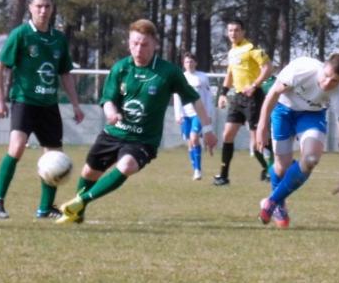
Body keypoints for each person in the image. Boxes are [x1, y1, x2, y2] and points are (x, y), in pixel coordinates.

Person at [56, 19, 218, 224]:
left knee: (127, 165)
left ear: (155, 44)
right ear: (128, 43)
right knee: (89, 172)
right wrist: (111, 112)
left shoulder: (168, 72)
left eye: (144, 44)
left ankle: (80, 201)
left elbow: (194, 99)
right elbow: (107, 100)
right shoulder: (121, 68)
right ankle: (77, 212)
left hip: (143, 140)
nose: (138, 49)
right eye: (135, 43)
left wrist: (208, 128)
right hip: (114, 132)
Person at [0, 0, 85, 220]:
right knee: (17, 147)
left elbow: (65, 74)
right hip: (24, 101)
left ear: (52, 9)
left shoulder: (59, 39)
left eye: (47, 6)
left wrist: (75, 105)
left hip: (49, 105)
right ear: (30, 8)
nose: (43, 10)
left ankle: (45, 208)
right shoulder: (21, 34)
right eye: (38, 6)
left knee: (54, 156)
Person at [255, 54, 339, 228]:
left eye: (334, 81)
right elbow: (273, 93)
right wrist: (262, 125)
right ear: (323, 67)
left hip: (311, 115)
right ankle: (278, 205)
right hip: (283, 109)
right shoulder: (303, 69)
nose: (326, 83)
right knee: (281, 166)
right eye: (326, 76)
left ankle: (271, 202)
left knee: (311, 159)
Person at [214, 19, 273, 186]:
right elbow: (230, 74)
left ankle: (271, 168)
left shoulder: (251, 48)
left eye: (237, 30)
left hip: (253, 98)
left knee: (257, 141)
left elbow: (268, 67)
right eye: (230, 30)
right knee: (227, 135)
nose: (233, 33)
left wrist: (254, 85)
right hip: (237, 98)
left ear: (243, 32)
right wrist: (223, 94)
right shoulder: (232, 51)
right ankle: (223, 176)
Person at [173, 52, 214, 180]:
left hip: (198, 113)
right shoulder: (180, 77)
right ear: (183, 64)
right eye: (186, 62)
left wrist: (208, 113)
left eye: (191, 61)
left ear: (195, 63)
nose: (189, 64)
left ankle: (198, 170)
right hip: (185, 114)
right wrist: (178, 114)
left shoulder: (202, 77)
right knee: (190, 143)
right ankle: (195, 168)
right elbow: (177, 97)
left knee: (194, 137)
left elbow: (208, 96)